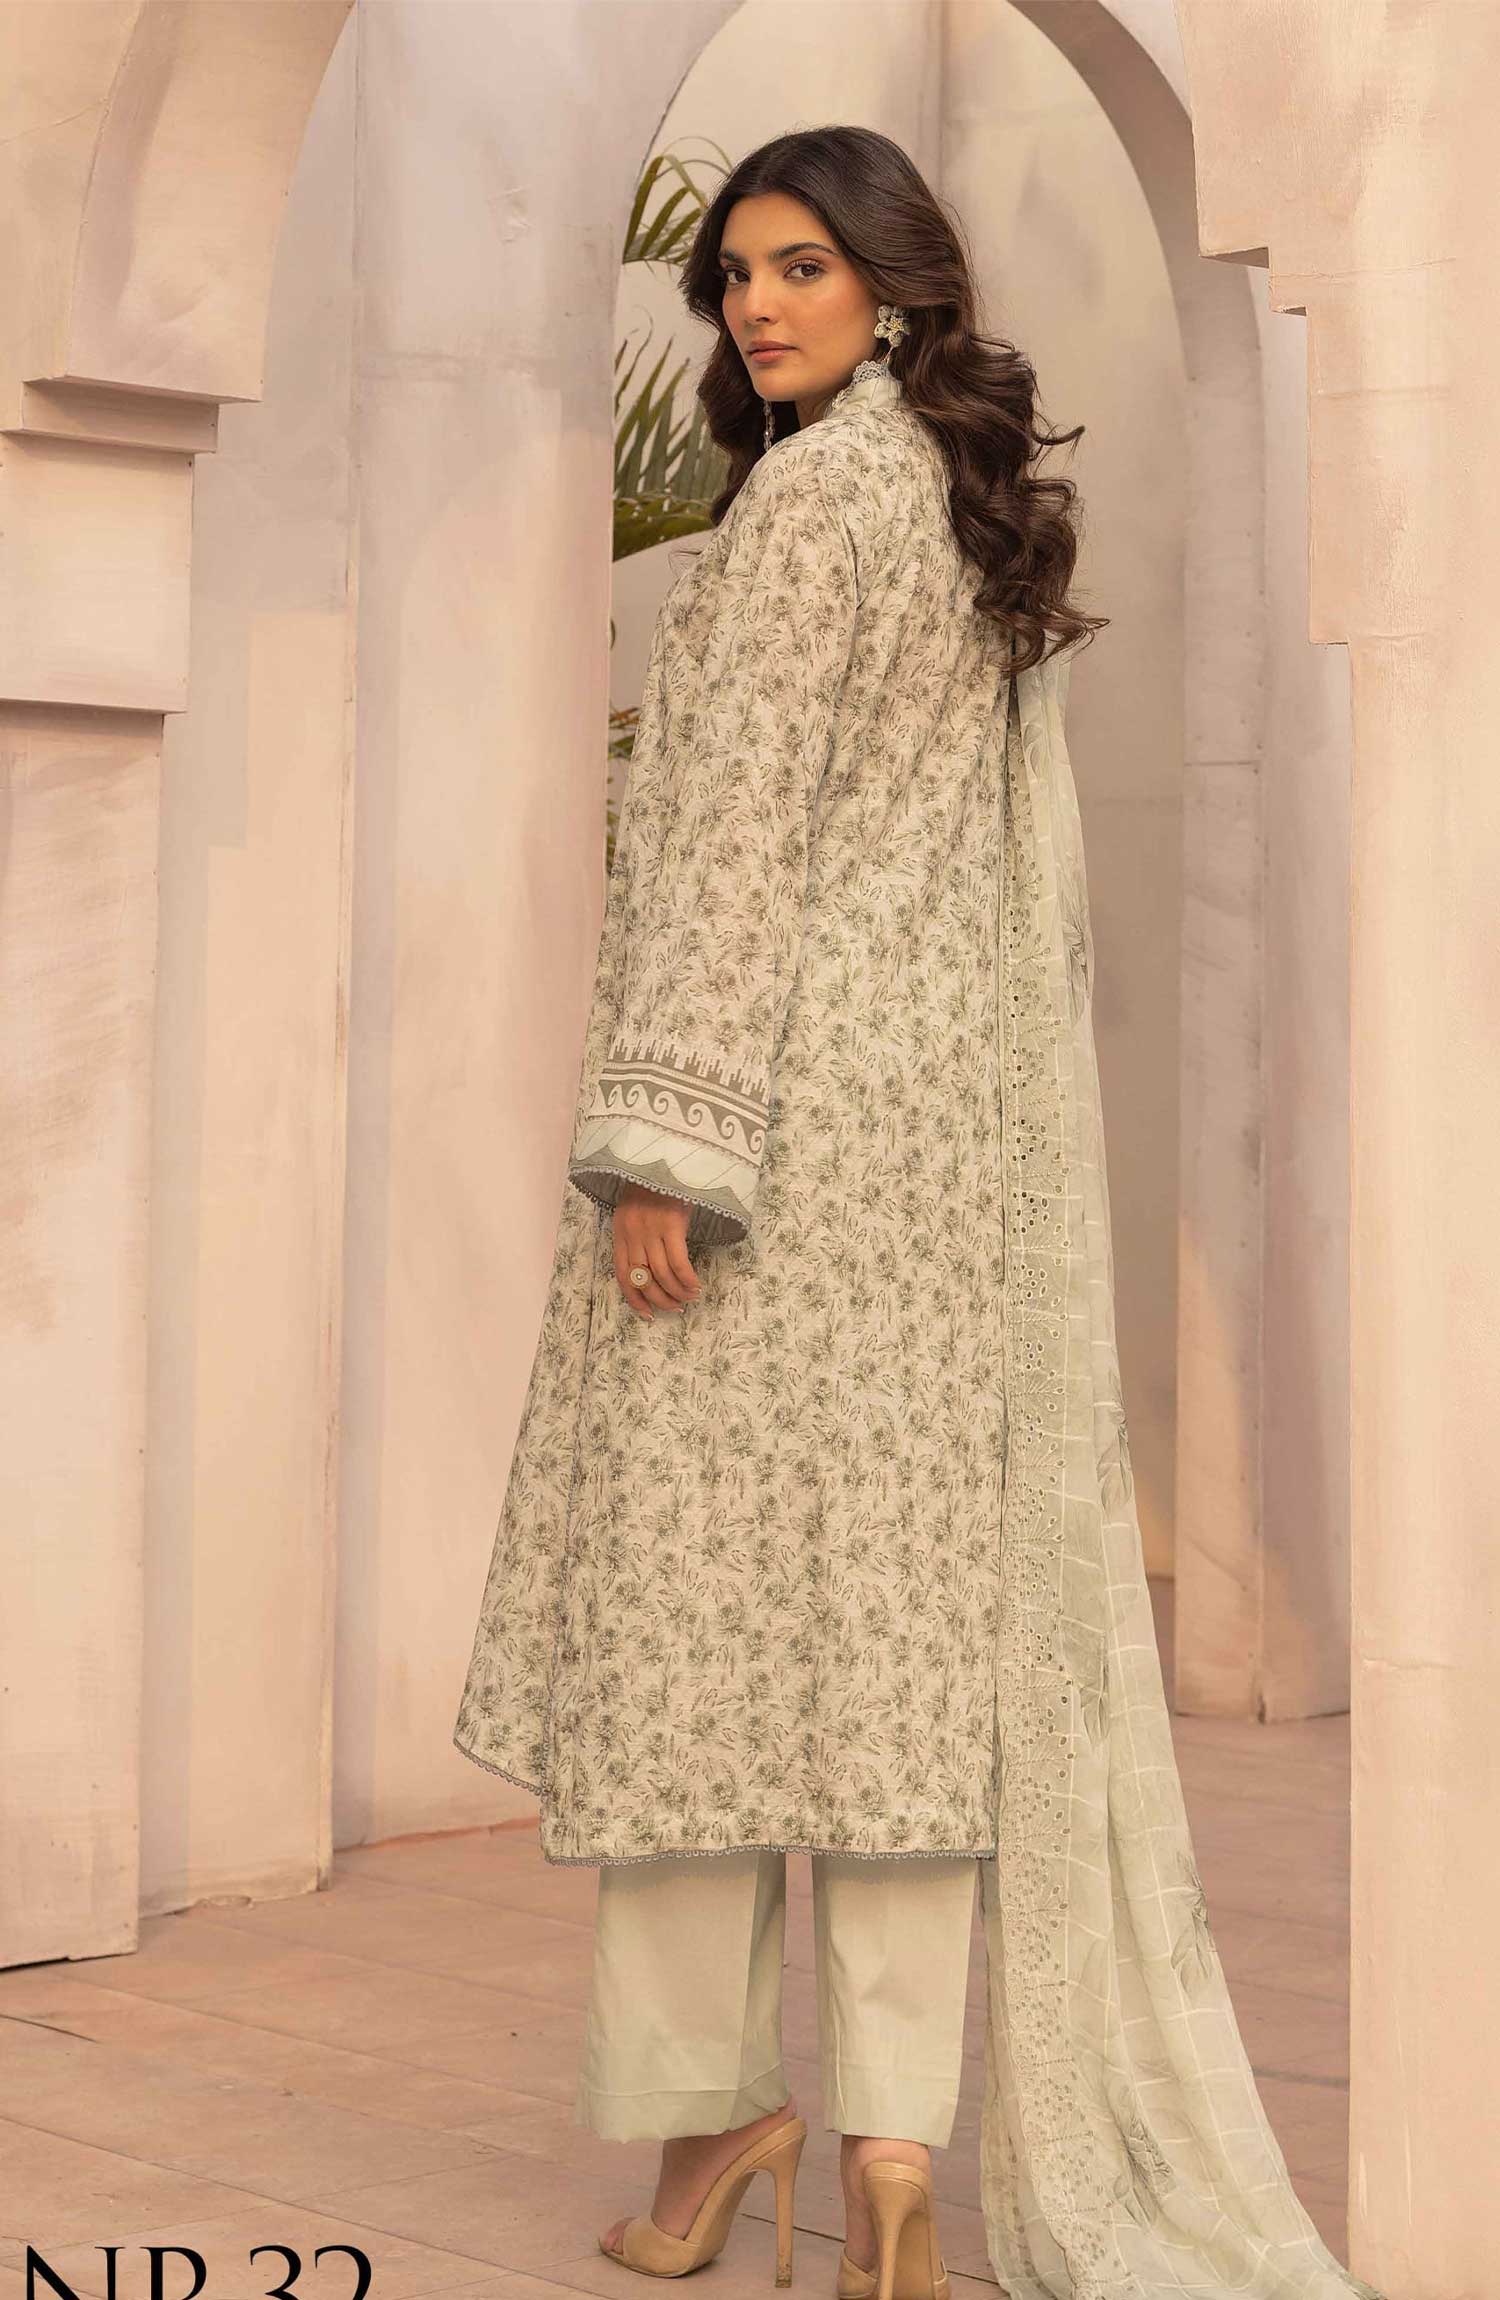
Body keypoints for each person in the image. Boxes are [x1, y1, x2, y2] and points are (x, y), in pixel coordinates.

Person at [455, 126, 1384, 2300]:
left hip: (768, 1149)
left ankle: (708, 2120)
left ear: (893, 282)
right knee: (892, 1657)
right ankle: (889, 2150)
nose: (755, 305)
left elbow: (731, 845)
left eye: (800, 266)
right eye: (735, 276)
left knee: (696, 1651)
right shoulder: (966, 512)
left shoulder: (802, 511)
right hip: (940, 1169)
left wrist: (666, 1151)